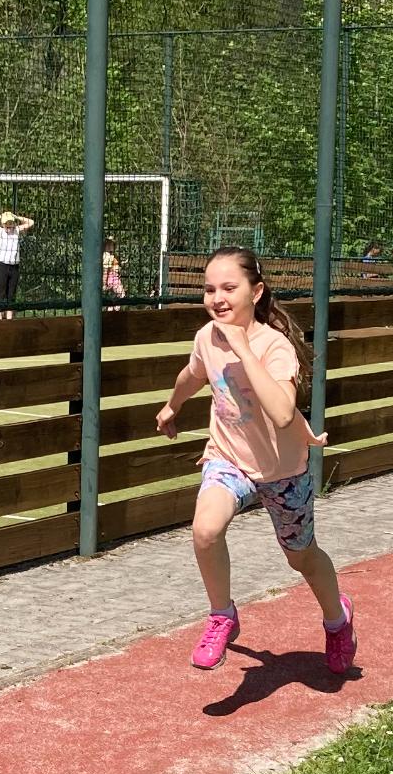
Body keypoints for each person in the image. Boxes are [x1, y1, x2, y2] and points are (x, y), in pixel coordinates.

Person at [155, 246, 357, 675]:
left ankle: (338, 621)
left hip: (283, 472)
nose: (217, 298)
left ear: (257, 291)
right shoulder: (206, 337)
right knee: (206, 529)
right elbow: (192, 374)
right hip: (228, 459)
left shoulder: (274, 346)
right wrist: (173, 405)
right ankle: (222, 615)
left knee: (302, 558)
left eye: (229, 288)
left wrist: (244, 349)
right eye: (209, 289)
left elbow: (283, 414)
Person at [0, 210, 34, 320]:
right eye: (6, 223)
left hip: (14, 267)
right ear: (3, 224)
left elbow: (31, 222)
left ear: (13, 223)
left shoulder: (17, 230)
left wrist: (16, 217)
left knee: (11, 295)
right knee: (0, 294)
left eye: (10, 223)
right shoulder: (0, 231)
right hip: (3, 266)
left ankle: (9, 320)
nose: (8, 226)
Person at [102, 236, 125, 309]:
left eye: (112, 244)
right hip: (111, 277)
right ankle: (115, 310)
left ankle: (111, 310)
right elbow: (105, 269)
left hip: (114, 276)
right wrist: (104, 283)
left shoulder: (112, 255)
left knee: (114, 296)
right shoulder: (107, 255)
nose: (110, 245)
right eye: (108, 244)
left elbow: (116, 263)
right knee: (121, 294)